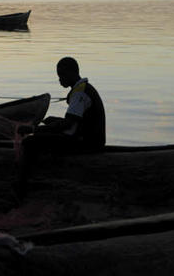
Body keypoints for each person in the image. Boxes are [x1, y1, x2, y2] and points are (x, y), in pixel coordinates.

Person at [15, 57, 106, 196]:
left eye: (62, 75)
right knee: (43, 134)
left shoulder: (80, 93)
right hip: (89, 138)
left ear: (72, 73)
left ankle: (20, 189)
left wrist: (34, 130)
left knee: (29, 142)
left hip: (87, 142)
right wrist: (54, 121)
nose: (60, 79)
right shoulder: (83, 89)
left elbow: (67, 124)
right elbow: (74, 121)